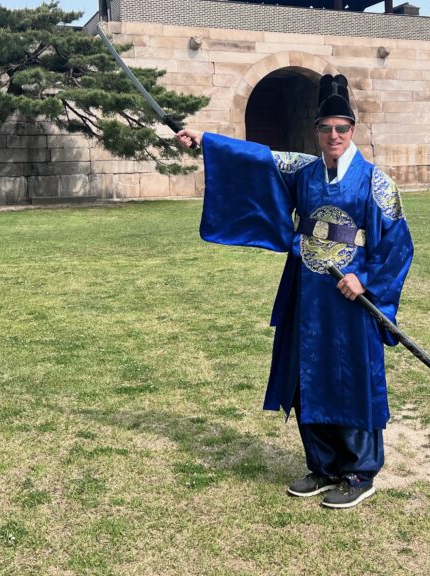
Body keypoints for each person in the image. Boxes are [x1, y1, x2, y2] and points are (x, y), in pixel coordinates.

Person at [176, 73, 413, 509]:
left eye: (341, 128)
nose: (333, 136)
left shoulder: (377, 182)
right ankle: (322, 465)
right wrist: (204, 141)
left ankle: (359, 471)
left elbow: (400, 246)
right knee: (308, 374)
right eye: (325, 129)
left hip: (350, 299)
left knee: (351, 377)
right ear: (316, 131)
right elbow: (257, 159)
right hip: (308, 295)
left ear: (352, 130)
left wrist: (367, 280)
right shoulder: (302, 170)